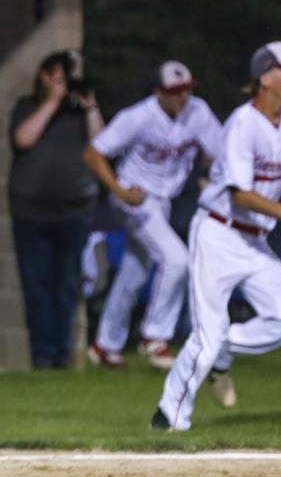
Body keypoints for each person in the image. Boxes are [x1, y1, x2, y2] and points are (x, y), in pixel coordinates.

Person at [153, 41, 281, 432]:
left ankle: (220, 350)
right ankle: (169, 420)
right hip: (217, 233)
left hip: (254, 241)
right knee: (206, 333)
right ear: (265, 78)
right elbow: (241, 193)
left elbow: (273, 179)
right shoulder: (241, 123)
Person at [83, 60, 222, 370]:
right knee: (177, 259)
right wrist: (118, 192)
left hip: (163, 200)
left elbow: (220, 152)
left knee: (134, 271)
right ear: (158, 92)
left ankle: (104, 345)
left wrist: (212, 174)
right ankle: (155, 338)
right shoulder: (139, 116)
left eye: (186, 90)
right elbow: (93, 153)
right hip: (134, 197)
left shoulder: (197, 112)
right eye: (175, 92)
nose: (182, 97)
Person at [9, 50, 104, 368]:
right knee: (37, 288)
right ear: (45, 76)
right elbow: (23, 139)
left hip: (74, 212)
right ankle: (41, 357)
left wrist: (90, 107)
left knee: (66, 287)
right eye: (60, 78)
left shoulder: (79, 112)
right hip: (31, 212)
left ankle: (60, 357)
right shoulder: (28, 106)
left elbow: (102, 145)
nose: (66, 85)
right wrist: (52, 101)